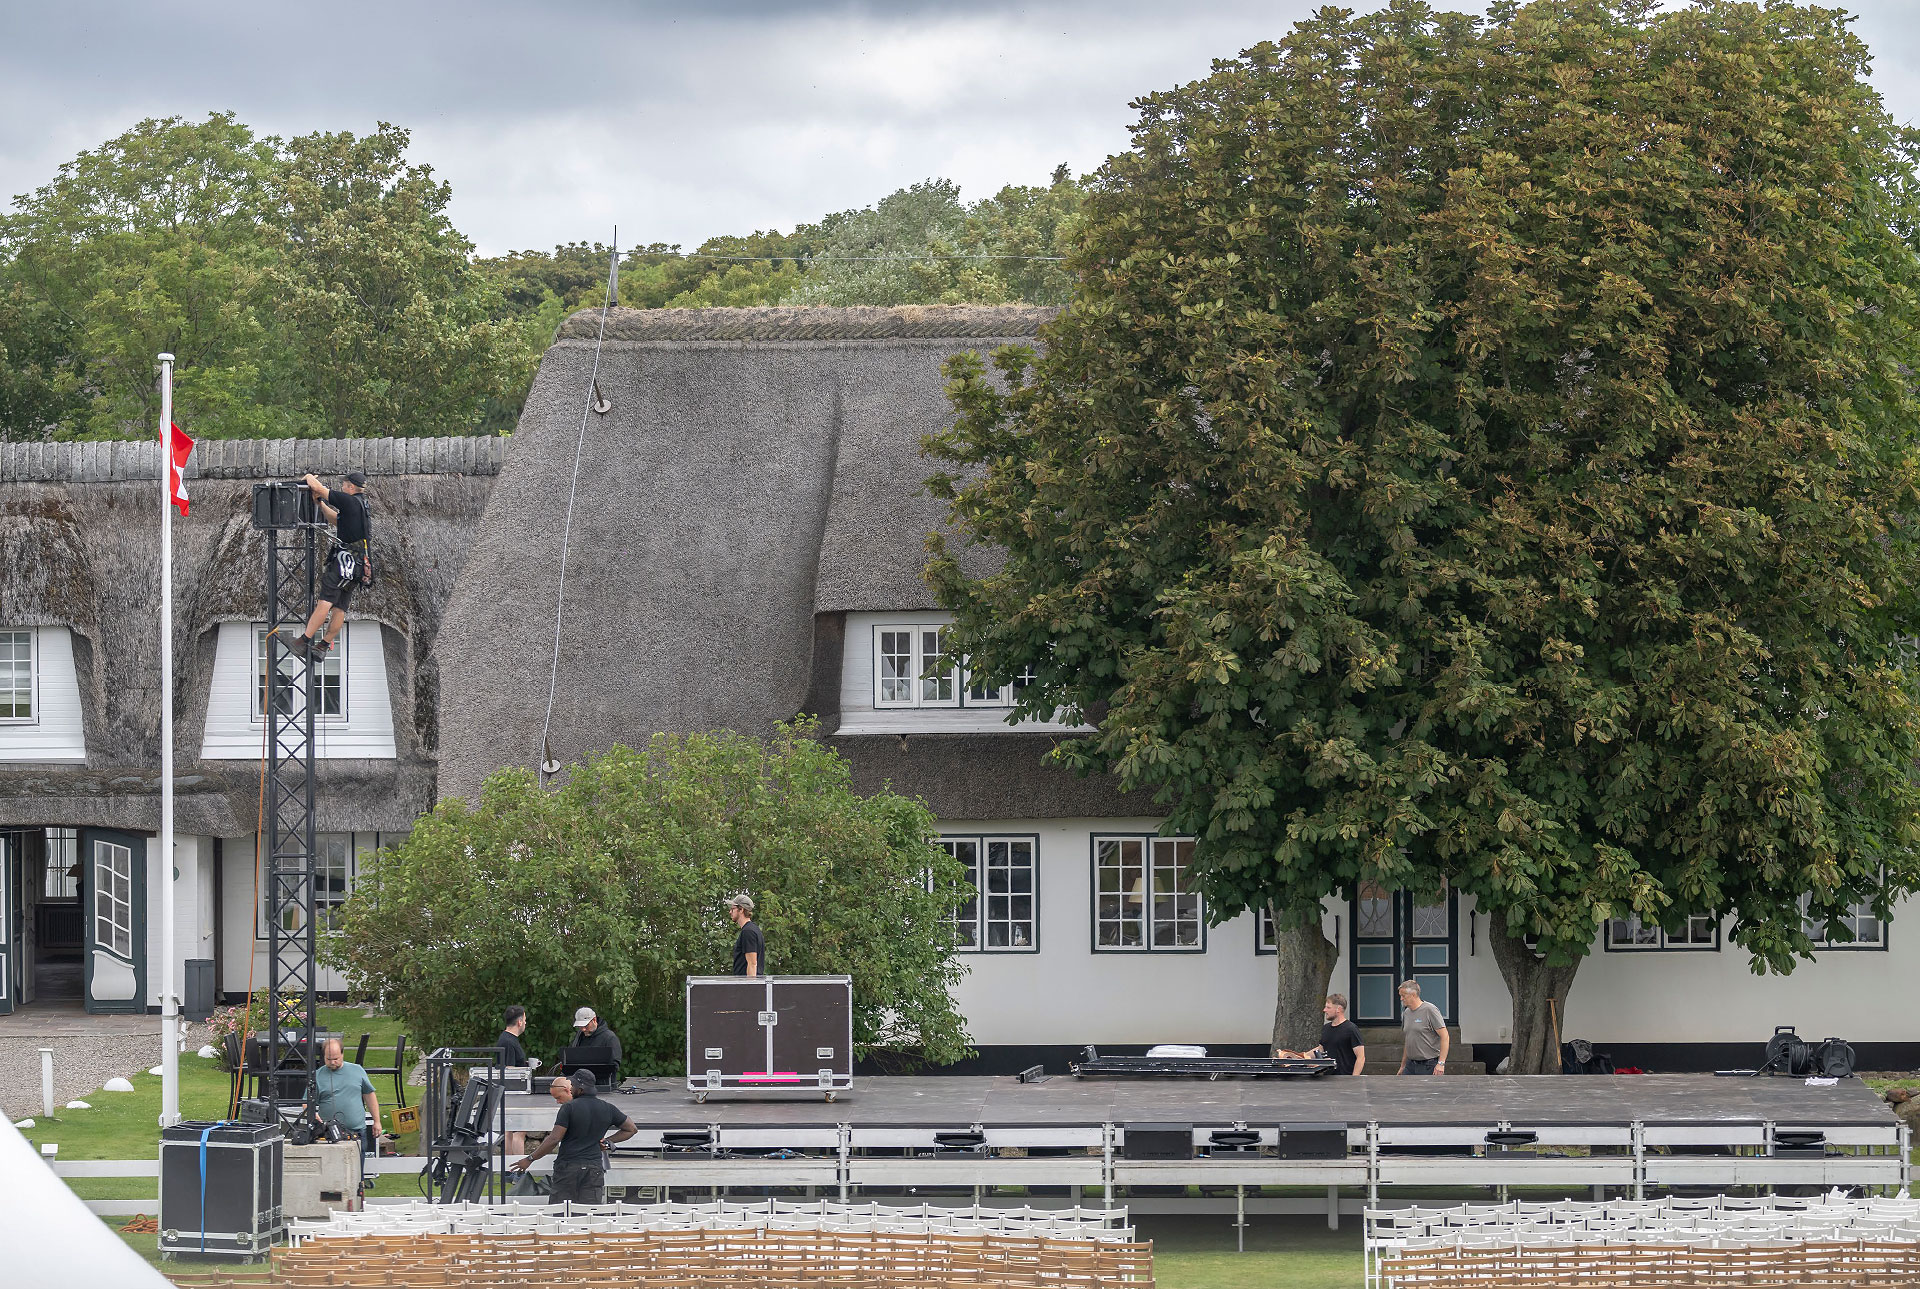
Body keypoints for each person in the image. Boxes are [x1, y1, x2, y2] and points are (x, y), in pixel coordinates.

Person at [509, 1070, 636, 1204]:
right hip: (594, 1168)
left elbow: (554, 1139)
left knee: (561, 1212)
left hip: (568, 1167)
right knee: (589, 1214)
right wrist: (608, 1140)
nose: (572, 1088)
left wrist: (530, 1158)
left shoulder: (569, 1108)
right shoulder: (608, 1108)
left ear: (580, 1089)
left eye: (573, 1085)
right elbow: (631, 1129)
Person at [293, 470, 371, 658]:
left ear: (351, 487)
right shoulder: (362, 504)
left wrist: (308, 476)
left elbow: (317, 486)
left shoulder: (348, 500)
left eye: (344, 485)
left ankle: (303, 641)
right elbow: (336, 520)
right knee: (340, 607)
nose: (342, 487)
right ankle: (323, 646)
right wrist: (320, 503)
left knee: (325, 602)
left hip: (343, 561)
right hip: (359, 563)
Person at [307, 1037, 382, 1163]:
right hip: (328, 1134)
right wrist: (313, 1115)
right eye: (328, 1059)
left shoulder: (357, 1070)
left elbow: (369, 1095)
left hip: (356, 1132)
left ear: (342, 1054)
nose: (332, 1062)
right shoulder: (317, 1075)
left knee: (357, 1171)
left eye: (336, 1059)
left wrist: (377, 1121)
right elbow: (307, 1102)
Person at [1278, 994, 1366, 1075]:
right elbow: (1321, 1049)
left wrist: (1354, 1080)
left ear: (1338, 1009)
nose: (1324, 1010)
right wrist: (1300, 1056)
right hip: (1327, 1079)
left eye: (1328, 1007)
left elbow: (1361, 1057)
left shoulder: (1351, 1029)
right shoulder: (1326, 1028)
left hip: (1345, 1079)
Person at [1396, 980, 1449, 1076]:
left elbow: (1445, 1036)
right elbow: (1408, 1040)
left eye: (1403, 996)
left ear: (1413, 995)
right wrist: (1403, 1065)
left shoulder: (1430, 1010)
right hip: (1410, 1065)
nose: (1401, 999)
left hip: (1428, 1065)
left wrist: (1441, 1063)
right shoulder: (1406, 1013)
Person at [564, 1006, 622, 1080]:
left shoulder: (609, 1038)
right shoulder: (578, 1037)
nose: (583, 1029)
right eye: (580, 1027)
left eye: (586, 1025)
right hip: (580, 1084)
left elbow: (615, 1065)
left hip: (603, 1085)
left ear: (594, 1020)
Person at [729, 893, 764, 977]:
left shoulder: (748, 932)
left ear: (741, 909)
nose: (730, 912)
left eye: (732, 909)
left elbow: (752, 964)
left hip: (746, 986)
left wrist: (750, 988)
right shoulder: (751, 929)